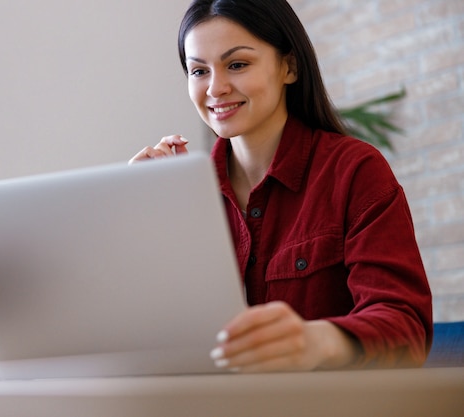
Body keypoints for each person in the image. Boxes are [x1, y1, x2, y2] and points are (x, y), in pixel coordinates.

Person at [130, 0, 432, 372]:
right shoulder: (185, 196)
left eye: (237, 64)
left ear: (289, 66)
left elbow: (406, 329)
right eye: (198, 71)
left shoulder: (354, 170)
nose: (216, 88)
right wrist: (143, 216)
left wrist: (317, 341)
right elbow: (149, 335)